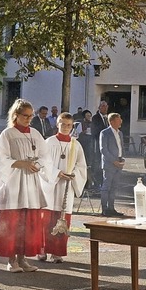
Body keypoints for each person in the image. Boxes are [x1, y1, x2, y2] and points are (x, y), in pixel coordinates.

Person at [0, 99, 51, 273]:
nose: (28, 119)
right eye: (25, 116)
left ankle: (23, 258)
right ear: (16, 115)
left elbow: (45, 156)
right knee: (14, 222)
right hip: (14, 182)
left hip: (31, 182)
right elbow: (1, 159)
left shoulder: (35, 133)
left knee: (27, 222)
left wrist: (38, 165)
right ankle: (11, 260)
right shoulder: (8, 134)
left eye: (30, 116)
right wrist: (21, 163)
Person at [39, 113, 87, 263]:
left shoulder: (75, 145)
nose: (66, 127)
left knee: (62, 219)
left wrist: (73, 174)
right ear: (57, 124)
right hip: (50, 186)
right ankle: (42, 250)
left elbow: (81, 166)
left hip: (67, 187)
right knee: (46, 219)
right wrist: (57, 173)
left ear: (72, 126)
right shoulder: (48, 143)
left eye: (69, 125)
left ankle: (57, 252)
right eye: (63, 124)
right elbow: (42, 163)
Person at [99, 113, 125, 217]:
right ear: (112, 121)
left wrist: (122, 158)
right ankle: (104, 209)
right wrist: (113, 160)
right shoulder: (105, 133)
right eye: (119, 120)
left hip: (118, 163)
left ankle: (111, 208)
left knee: (114, 187)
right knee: (106, 187)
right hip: (109, 164)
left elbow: (121, 147)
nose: (121, 121)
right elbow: (103, 149)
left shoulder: (120, 133)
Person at [91, 101, 109, 189]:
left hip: (107, 144)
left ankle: (104, 181)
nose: (105, 108)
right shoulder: (96, 118)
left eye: (106, 106)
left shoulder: (108, 118)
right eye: (103, 106)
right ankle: (97, 182)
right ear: (99, 108)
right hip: (98, 144)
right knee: (98, 163)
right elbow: (94, 131)